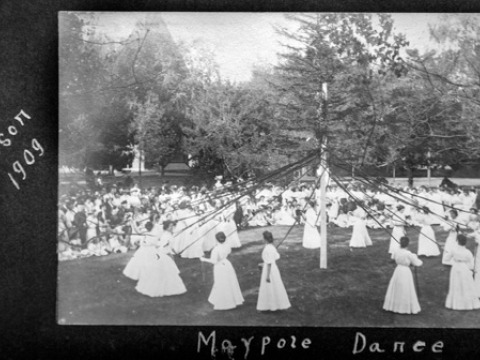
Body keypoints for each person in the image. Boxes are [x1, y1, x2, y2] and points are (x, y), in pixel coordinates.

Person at [135, 222, 187, 298]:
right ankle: (166, 288)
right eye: (170, 226)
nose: (172, 227)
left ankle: (168, 287)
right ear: (167, 227)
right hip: (164, 255)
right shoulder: (166, 235)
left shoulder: (168, 234)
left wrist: (175, 252)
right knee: (166, 273)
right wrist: (168, 254)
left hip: (166, 254)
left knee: (168, 272)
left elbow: (169, 246)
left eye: (172, 226)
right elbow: (163, 247)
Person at [200, 232, 244, 310]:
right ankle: (233, 300)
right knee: (230, 282)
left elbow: (214, 261)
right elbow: (227, 252)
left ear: (216, 239)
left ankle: (224, 303)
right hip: (227, 264)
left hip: (219, 267)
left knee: (221, 283)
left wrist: (203, 259)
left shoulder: (216, 249)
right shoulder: (227, 246)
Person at [383, 236, 423, 314]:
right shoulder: (408, 254)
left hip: (398, 270)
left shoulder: (396, 251)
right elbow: (418, 263)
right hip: (405, 271)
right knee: (405, 288)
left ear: (400, 243)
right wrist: (414, 256)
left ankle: (394, 305)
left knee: (397, 287)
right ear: (408, 244)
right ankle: (404, 307)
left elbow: (393, 258)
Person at [257, 231, 291, 311]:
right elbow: (276, 257)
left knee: (268, 286)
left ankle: (268, 306)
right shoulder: (272, 247)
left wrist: (268, 276)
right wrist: (264, 263)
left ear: (265, 239)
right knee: (276, 286)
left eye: (263, 238)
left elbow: (269, 263)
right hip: (274, 269)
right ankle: (277, 304)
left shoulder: (267, 248)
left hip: (269, 270)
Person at [445, 234, 480, 310]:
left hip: (455, 268)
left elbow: (446, 259)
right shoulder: (468, 252)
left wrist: (450, 254)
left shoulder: (453, 250)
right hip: (464, 269)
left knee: (456, 285)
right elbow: (471, 265)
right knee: (466, 285)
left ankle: (456, 303)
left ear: (457, 241)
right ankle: (466, 303)